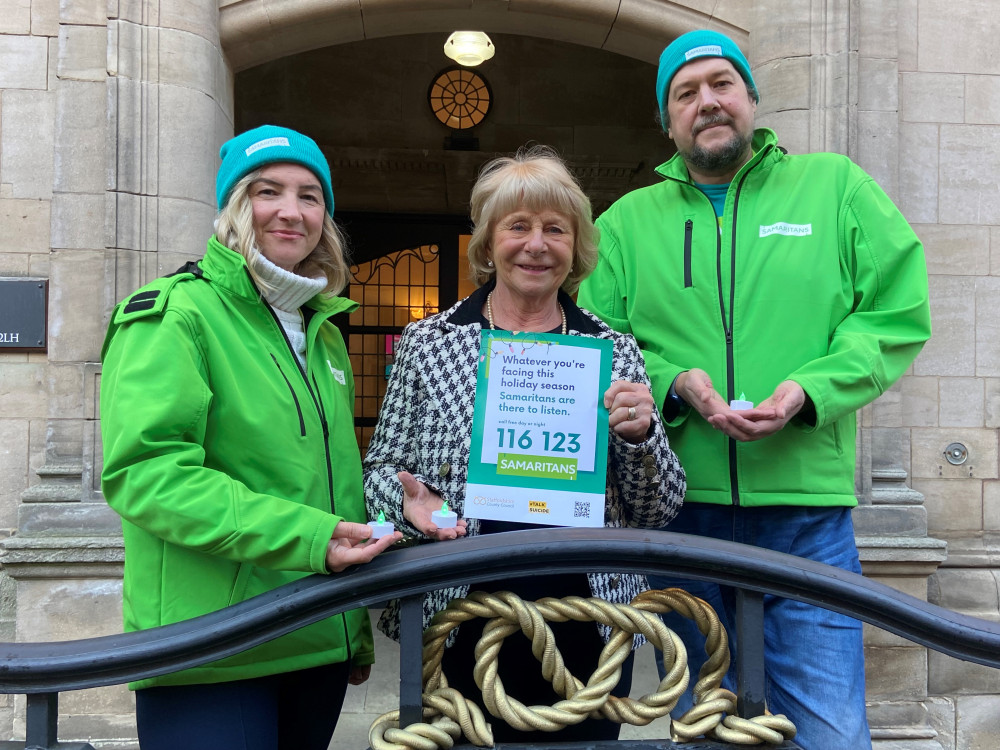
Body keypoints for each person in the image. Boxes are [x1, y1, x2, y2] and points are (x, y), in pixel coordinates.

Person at [576, 29, 932, 750]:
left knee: (832, 734)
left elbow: (897, 314)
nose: (706, 102)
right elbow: (594, 342)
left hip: (807, 522)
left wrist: (808, 391)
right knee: (707, 731)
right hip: (682, 520)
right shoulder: (621, 225)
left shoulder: (838, 187)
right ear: (668, 120)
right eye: (686, 93)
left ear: (751, 98)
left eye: (720, 84)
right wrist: (675, 383)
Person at [363, 146, 686, 743]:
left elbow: (658, 509)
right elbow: (381, 468)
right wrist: (408, 508)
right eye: (518, 227)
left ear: (576, 248)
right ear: (487, 244)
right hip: (458, 614)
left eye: (555, 229)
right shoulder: (428, 343)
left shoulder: (615, 351)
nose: (536, 245)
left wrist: (641, 439)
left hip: (587, 621)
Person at [100, 124, 402, 750]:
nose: (291, 211)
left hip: (314, 640)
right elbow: (148, 476)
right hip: (214, 646)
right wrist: (312, 541)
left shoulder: (322, 333)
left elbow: (334, 488)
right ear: (235, 206)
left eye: (310, 195)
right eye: (269, 191)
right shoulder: (174, 314)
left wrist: (353, 629)